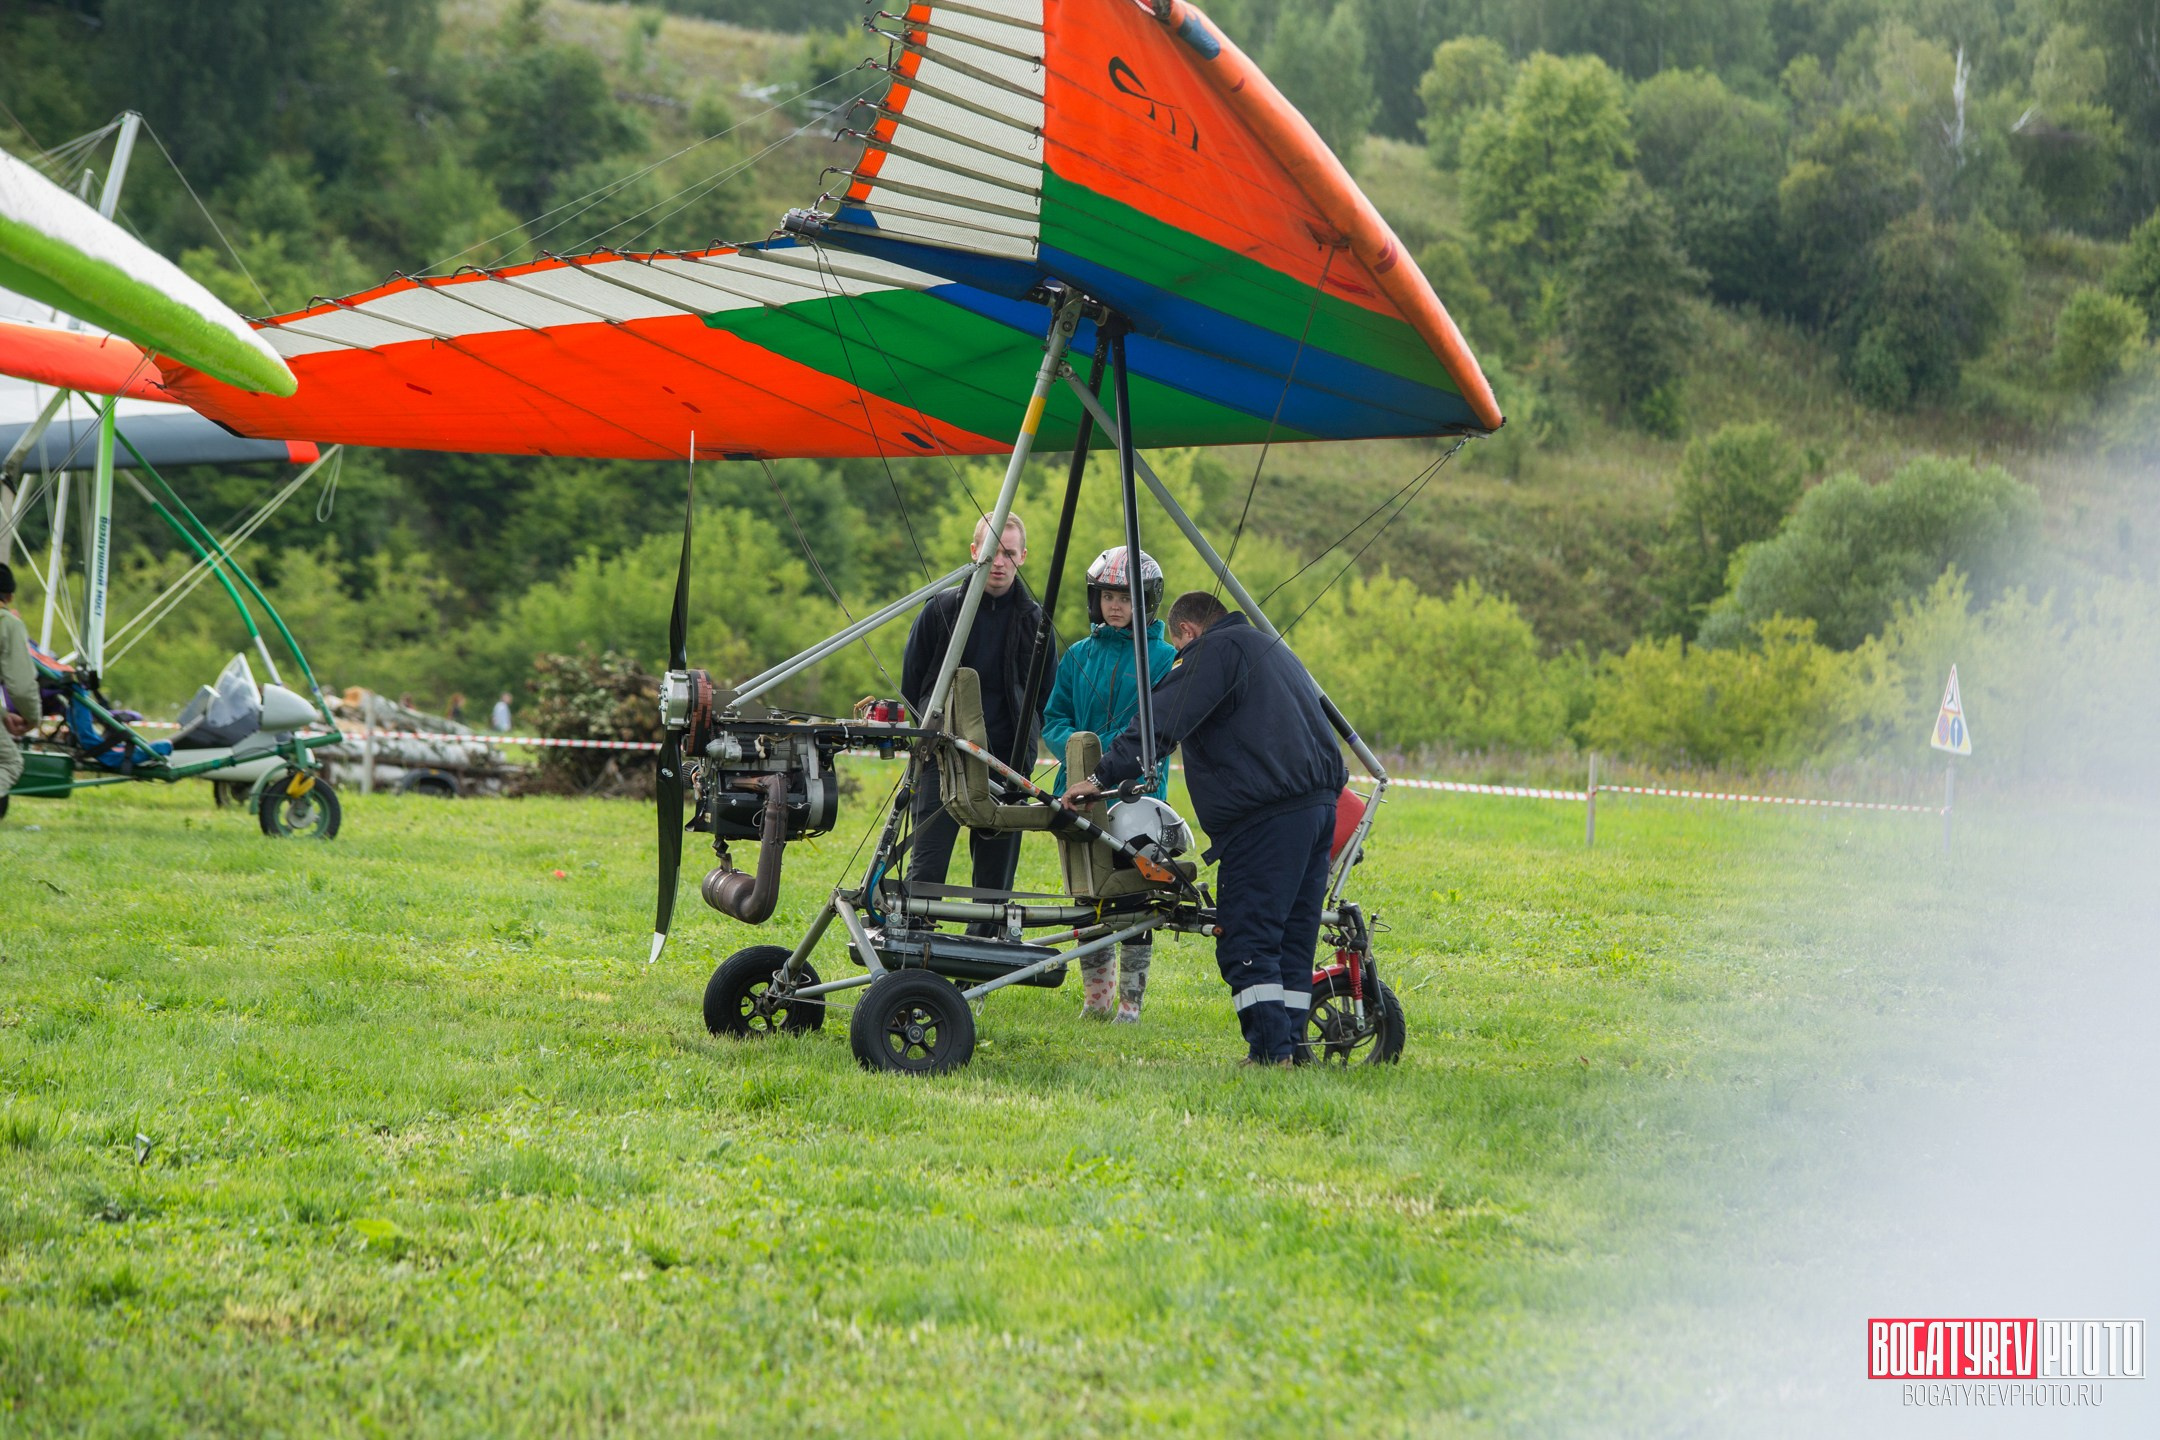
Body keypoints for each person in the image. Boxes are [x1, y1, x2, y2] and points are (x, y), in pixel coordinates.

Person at [1063, 591, 1347, 1066]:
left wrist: (1099, 779)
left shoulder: (1213, 651)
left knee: (1248, 938)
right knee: (1293, 939)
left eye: (1179, 646)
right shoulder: (1270, 645)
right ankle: (1295, 1050)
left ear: (1188, 633)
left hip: (1266, 818)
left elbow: (1161, 722)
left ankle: (1270, 1055)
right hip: (1319, 809)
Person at [1041, 546, 1177, 1022]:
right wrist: (1079, 754)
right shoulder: (1076, 655)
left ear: (1146, 602)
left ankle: (1130, 1005)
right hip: (1077, 791)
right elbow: (1054, 717)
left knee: (1133, 896)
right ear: (1094, 600)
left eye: (1126, 596)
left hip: (1136, 796)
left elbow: (1163, 728)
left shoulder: (1164, 659)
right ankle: (1096, 1000)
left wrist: (1118, 762)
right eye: (1107, 596)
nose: (1115, 605)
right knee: (1087, 894)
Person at [899, 512, 1056, 907]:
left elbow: (1043, 695)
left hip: (1008, 763)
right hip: (944, 759)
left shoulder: (1036, 622)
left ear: (1023, 557)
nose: (998, 561)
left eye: (1008, 552)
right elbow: (912, 685)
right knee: (926, 869)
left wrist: (1026, 748)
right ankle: (916, 952)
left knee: (993, 886)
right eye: (991, 551)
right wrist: (929, 740)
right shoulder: (940, 609)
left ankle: (981, 959)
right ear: (974, 552)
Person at [1, 564, 44, 803]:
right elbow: (21, 684)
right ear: (9, 596)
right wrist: (32, 718)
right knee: (9, 762)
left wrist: (2, 714)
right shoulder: (8, 623)